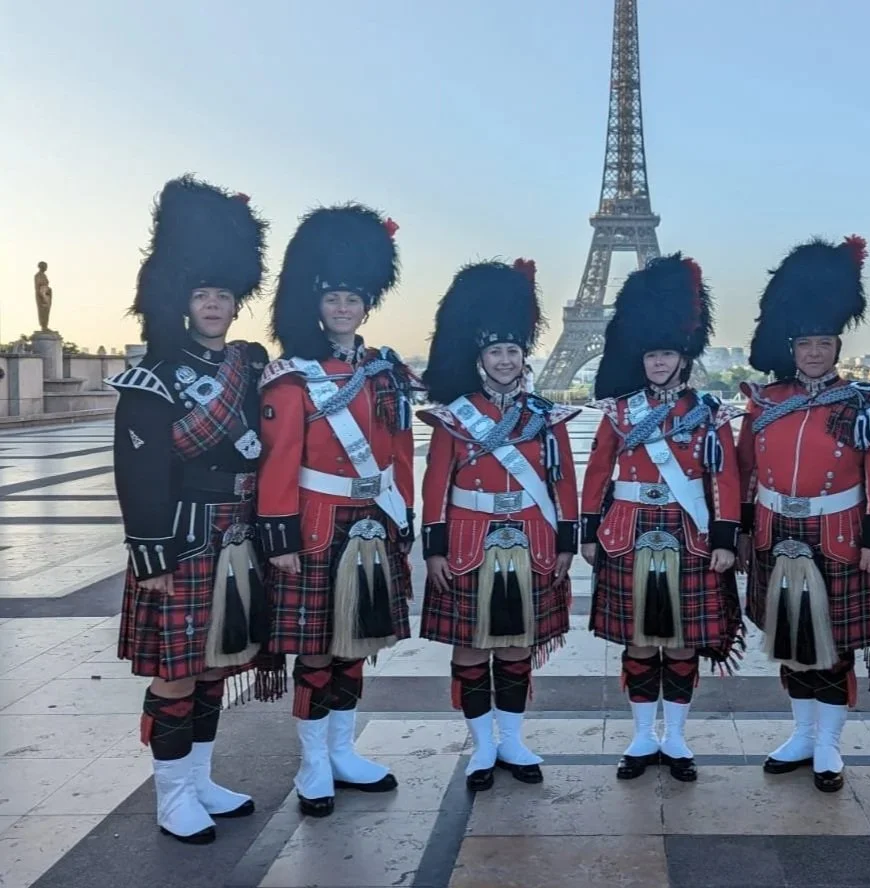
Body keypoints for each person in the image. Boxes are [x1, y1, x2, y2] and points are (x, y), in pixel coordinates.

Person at [107, 175, 282, 844]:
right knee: (176, 674)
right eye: (202, 293)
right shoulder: (154, 375)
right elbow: (139, 470)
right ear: (184, 300)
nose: (213, 304)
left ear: (238, 305)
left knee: (215, 665)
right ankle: (171, 795)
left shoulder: (252, 365)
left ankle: (202, 779)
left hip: (236, 536)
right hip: (179, 539)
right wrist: (149, 553)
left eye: (224, 295)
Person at [257, 205, 419, 818]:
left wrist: (403, 516)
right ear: (316, 305)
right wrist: (281, 535)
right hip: (316, 525)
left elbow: (400, 453)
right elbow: (279, 461)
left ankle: (343, 750)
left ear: (366, 304)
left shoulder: (385, 372)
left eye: (353, 298)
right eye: (333, 299)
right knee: (317, 650)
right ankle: (312, 761)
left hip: (372, 522)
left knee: (355, 642)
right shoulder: (293, 377)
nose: (343, 308)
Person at [736, 236, 870, 793]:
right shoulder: (763, 401)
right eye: (805, 343)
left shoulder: (863, 402)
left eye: (824, 343)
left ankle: (829, 743)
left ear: (837, 345)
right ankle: (802, 735)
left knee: (832, 645)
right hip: (776, 531)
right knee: (791, 640)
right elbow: (742, 470)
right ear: (793, 345)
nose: (813, 352)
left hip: (839, 535)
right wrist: (739, 532)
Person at [581, 254, 744, 783]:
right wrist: (587, 529)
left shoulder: (708, 412)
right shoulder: (619, 411)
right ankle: (639, 735)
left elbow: (725, 479)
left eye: (667, 354)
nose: (657, 363)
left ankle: (674, 737)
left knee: (680, 641)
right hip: (628, 531)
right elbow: (598, 472)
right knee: (638, 640)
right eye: (651, 355)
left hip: (688, 532)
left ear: (683, 357)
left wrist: (725, 537)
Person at [418, 259, 579, 791]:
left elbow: (564, 486)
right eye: (495, 352)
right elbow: (435, 484)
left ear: (522, 355)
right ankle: (482, 744)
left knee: (515, 646)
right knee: (469, 649)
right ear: (480, 358)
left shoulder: (545, 415)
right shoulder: (455, 417)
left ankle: (511, 739)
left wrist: (566, 543)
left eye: (513, 351)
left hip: (531, 541)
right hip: (467, 543)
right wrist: (434, 548)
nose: (505, 360)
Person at [34, 261, 52, 331]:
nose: (46, 268)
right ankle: (43, 326)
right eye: (45, 266)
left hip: (46, 294)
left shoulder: (44, 275)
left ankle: (45, 325)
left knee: (46, 311)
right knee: (43, 311)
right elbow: (39, 286)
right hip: (42, 295)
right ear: (42, 267)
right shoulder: (38, 275)